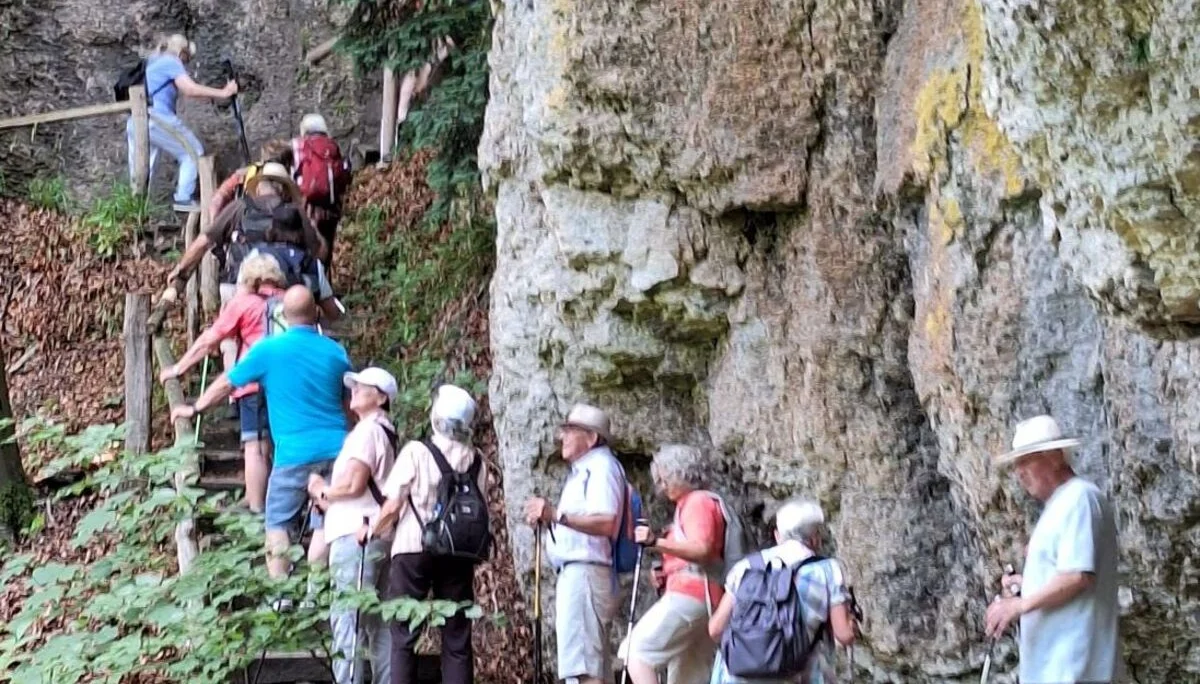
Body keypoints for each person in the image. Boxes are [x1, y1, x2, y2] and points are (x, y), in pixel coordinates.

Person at [170, 286, 351, 605]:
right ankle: (314, 592)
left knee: (278, 521)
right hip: (336, 449)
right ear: (316, 314)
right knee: (327, 519)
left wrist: (195, 408)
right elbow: (349, 400)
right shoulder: (335, 352)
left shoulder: (268, 350)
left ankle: (282, 595)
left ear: (282, 315)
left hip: (293, 454)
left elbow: (229, 381)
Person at [984, 415, 1122, 683]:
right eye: (1016, 464)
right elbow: (1066, 576)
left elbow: (1077, 576)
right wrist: (1026, 584)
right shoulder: (1060, 505)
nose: (1019, 472)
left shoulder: (1080, 498)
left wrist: (1019, 605)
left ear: (1056, 457)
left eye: (1026, 460)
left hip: (1074, 670)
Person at [372, 384, 483, 684]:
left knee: (404, 635)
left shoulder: (417, 451)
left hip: (413, 549)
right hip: (458, 553)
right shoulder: (476, 461)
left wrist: (372, 530)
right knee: (457, 636)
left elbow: (392, 504)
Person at [159, 253, 287, 512]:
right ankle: (273, 503)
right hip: (288, 385)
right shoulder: (287, 302)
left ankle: (257, 508)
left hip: (254, 386)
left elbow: (210, 340)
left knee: (255, 447)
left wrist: (179, 368)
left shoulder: (245, 302)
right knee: (273, 445)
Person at [308, 367, 399, 684]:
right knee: (378, 621)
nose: (356, 389)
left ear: (382, 397)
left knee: (349, 619)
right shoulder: (385, 430)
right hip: (379, 533)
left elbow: (354, 486)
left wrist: (320, 488)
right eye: (355, 385)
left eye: (365, 386)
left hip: (357, 537)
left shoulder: (367, 432)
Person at [523, 404, 623, 684]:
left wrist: (556, 515)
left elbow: (607, 522)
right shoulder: (586, 470)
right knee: (589, 667)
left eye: (569, 430)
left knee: (584, 669)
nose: (561, 437)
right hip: (581, 573)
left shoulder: (600, 468)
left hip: (586, 573)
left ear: (591, 438)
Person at [708, 499, 857, 684]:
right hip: (791, 674)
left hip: (734, 676)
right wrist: (852, 621)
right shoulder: (827, 571)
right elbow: (843, 635)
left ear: (778, 535)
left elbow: (715, 630)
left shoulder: (745, 567)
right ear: (815, 538)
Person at [625, 444, 725, 684]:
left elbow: (702, 549)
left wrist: (656, 542)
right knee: (688, 676)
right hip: (706, 598)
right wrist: (668, 571)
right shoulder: (694, 503)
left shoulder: (698, 502)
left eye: (665, 477)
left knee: (635, 651)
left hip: (691, 596)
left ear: (682, 473)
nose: (661, 485)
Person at [164, 161, 325, 304]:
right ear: (284, 190)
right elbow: (319, 251)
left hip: (242, 286)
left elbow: (203, 241)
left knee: (228, 319)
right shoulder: (296, 211)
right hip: (288, 289)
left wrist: (181, 269)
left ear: (259, 187)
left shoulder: (240, 207)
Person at [125, 34, 237, 208]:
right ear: (182, 52)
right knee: (192, 152)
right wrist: (223, 92)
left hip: (136, 120)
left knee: (143, 168)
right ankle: (183, 199)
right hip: (157, 118)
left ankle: (135, 210)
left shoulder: (152, 61)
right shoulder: (171, 61)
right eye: (187, 58)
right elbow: (190, 89)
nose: (187, 63)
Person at [292, 113, 350, 271]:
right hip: (330, 209)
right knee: (327, 249)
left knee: (306, 247)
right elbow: (343, 177)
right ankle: (325, 285)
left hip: (306, 206)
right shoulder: (332, 147)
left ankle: (309, 285)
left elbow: (292, 174)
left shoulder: (299, 145)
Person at [207, 139, 296, 223]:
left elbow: (218, 199)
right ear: (288, 164)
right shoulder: (292, 183)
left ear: (262, 159)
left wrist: (214, 223)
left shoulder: (242, 175)